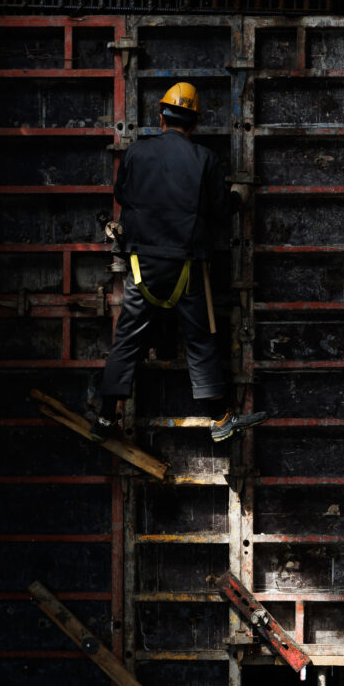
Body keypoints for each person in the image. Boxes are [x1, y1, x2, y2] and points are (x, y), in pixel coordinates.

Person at [91, 82, 268, 444]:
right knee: (200, 339)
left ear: (161, 116)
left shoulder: (137, 153)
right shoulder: (205, 159)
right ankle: (220, 419)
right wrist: (238, 197)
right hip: (186, 266)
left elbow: (122, 194)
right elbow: (220, 210)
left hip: (142, 265)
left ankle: (106, 418)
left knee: (126, 341)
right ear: (196, 123)